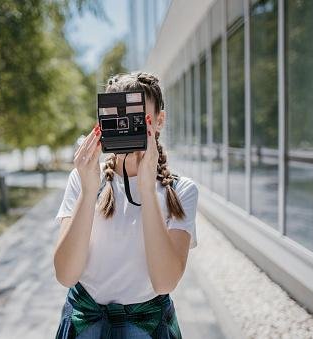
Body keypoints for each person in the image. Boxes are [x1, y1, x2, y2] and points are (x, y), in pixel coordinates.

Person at [53, 71, 199, 339]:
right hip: (85, 323)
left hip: (146, 326)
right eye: (115, 117)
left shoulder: (180, 190)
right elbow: (65, 275)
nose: (125, 125)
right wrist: (87, 192)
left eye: (137, 117)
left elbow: (165, 282)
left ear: (158, 121)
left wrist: (146, 187)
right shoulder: (84, 179)